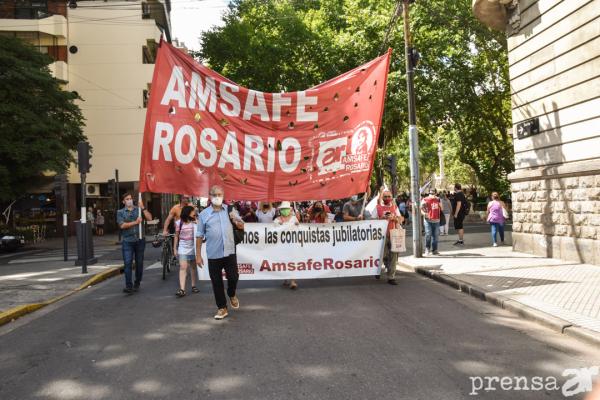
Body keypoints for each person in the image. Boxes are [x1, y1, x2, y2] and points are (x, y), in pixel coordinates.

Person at [195, 185, 244, 320]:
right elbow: (199, 235)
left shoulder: (230, 210)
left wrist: (239, 224)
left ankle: (232, 293)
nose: (217, 197)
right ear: (210, 197)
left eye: (220, 194)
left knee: (233, 277)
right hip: (213, 254)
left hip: (229, 251)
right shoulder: (204, 214)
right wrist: (198, 255)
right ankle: (222, 307)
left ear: (223, 196)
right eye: (214, 194)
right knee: (216, 282)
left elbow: (241, 225)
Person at [117, 193, 153, 294]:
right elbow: (122, 225)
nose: (129, 200)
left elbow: (150, 218)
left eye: (131, 198)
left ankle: (137, 282)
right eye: (127, 199)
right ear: (123, 201)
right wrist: (135, 223)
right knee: (127, 263)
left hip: (140, 241)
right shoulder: (120, 212)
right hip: (127, 241)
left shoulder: (138, 210)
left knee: (139, 263)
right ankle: (129, 286)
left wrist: (143, 207)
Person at [375, 188, 403, 285]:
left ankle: (391, 277)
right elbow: (372, 220)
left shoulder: (394, 207)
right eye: (385, 196)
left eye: (389, 196)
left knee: (393, 256)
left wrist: (394, 218)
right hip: (381, 236)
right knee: (382, 255)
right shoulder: (378, 207)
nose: (387, 198)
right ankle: (377, 270)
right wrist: (382, 218)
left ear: (391, 197)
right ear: (382, 197)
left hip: (394, 234)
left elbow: (401, 219)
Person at [173, 205, 199, 297]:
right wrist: (174, 248)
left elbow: (200, 234)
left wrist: (198, 223)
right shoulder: (178, 223)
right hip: (182, 248)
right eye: (193, 212)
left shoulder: (195, 223)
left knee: (192, 267)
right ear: (188, 213)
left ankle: (193, 285)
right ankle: (182, 289)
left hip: (193, 248)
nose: (194, 214)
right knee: (183, 267)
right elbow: (176, 236)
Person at [274, 201, 300, 290]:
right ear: (280, 210)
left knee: (293, 260)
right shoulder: (277, 220)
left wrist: (297, 225)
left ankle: (293, 281)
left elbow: (299, 229)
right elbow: (273, 231)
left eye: (286, 209)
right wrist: (278, 225)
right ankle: (285, 277)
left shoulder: (294, 218)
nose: (285, 211)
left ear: (290, 210)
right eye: (283, 209)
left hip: (293, 243)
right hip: (281, 244)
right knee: (283, 260)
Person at [421, 189, 441, 255]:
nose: (432, 195)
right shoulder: (425, 199)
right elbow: (420, 208)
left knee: (435, 236)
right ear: (429, 193)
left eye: (433, 193)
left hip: (437, 220)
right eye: (430, 193)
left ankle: (435, 250)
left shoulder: (438, 199)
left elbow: (442, 208)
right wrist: (424, 213)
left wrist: (439, 202)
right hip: (428, 220)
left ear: (435, 193)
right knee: (428, 234)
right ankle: (427, 249)